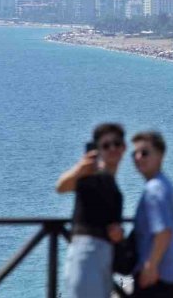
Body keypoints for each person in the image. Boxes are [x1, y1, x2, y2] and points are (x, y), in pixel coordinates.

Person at [55, 123, 125, 298]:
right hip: (86, 252)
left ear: (124, 148)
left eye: (116, 144)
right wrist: (80, 168)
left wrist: (117, 233)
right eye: (106, 145)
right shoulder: (90, 176)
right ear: (98, 149)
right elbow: (61, 186)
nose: (112, 149)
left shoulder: (112, 184)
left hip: (104, 254)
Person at [131, 131, 173, 297]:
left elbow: (163, 231)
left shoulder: (154, 190)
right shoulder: (166, 185)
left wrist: (151, 266)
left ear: (160, 154)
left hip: (158, 275)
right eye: (134, 153)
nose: (138, 157)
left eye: (145, 152)